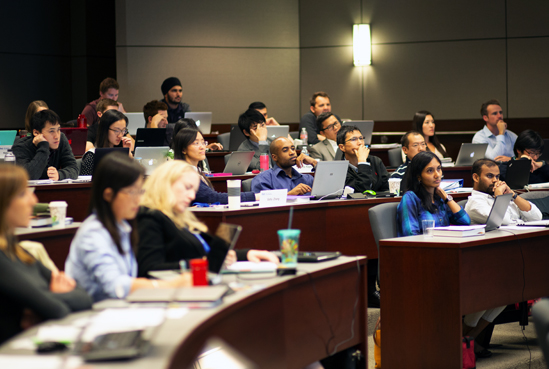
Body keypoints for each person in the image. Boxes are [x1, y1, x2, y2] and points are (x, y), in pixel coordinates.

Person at [65, 153, 191, 302]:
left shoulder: (122, 227)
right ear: (108, 194)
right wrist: (170, 285)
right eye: (132, 192)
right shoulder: (92, 233)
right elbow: (116, 286)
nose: (138, 199)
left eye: (140, 191)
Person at [136, 160, 279, 277]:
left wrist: (246, 254)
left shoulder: (182, 218)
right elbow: (149, 268)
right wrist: (198, 264)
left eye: (194, 190)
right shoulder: (149, 217)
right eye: (187, 187)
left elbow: (210, 256)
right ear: (165, 184)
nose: (192, 196)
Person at [0, 164, 91, 344]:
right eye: (22, 194)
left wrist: (48, 298)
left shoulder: (20, 253)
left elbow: (84, 299)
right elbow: (57, 310)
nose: (33, 201)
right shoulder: (3, 261)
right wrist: (52, 295)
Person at [173, 128, 256, 204]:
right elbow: (213, 198)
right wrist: (254, 196)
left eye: (203, 142)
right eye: (196, 143)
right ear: (183, 149)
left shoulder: (195, 171)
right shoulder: (185, 174)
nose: (202, 147)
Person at [397, 151, 470, 236]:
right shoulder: (410, 197)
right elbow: (410, 234)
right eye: (430, 170)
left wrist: (447, 198)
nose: (437, 175)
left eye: (439, 168)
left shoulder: (440, 199)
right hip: (424, 247)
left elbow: (465, 222)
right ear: (418, 176)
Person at [465, 159, 542, 225]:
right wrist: (499, 196)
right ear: (476, 177)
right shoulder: (475, 203)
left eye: (497, 176)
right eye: (489, 176)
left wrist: (513, 195)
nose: (495, 180)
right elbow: (504, 221)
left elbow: (537, 217)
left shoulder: (503, 195)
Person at [12, 109, 78, 180]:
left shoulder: (61, 139)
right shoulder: (20, 147)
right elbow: (28, 176)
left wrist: (59, 175)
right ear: (36, 133)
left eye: (58, 130)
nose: (56, 136)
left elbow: (74, 169)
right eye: (51, 131)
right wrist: (43, 147)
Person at [251, 137, 316, 195]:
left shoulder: (308, 179)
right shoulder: (263, 179)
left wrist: (314, 163)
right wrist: (289, 195)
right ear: (274, 157)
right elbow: (263, 203)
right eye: (285, 150)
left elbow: (325, 192)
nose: (292, 152)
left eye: (293, 149)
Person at [337, 125, 389, 193]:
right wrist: (362, 163)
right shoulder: (339, 170)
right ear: (342, 147)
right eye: (353, 139)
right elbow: (360, 192)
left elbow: (387, 188)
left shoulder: (375, 161)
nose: (360, 142)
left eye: (361, 138)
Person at [80, 110, 134, 175]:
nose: (120, 135)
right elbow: (85, 182)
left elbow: (133, 178)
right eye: (117, 130)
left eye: (123, 130)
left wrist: (128, 154)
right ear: (105, 130)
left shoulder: (122, 153)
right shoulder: (92, 156)